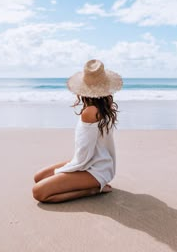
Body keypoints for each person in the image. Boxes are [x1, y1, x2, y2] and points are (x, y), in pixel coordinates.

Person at [32, 59, 123, 203]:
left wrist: (66, 170)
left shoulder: (90, 111)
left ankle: (92, 190)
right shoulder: (104, 108)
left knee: (39, 192)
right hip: (98, 163)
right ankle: (89, 184)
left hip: (95, 169)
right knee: (39, 177)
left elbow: (83, 155)